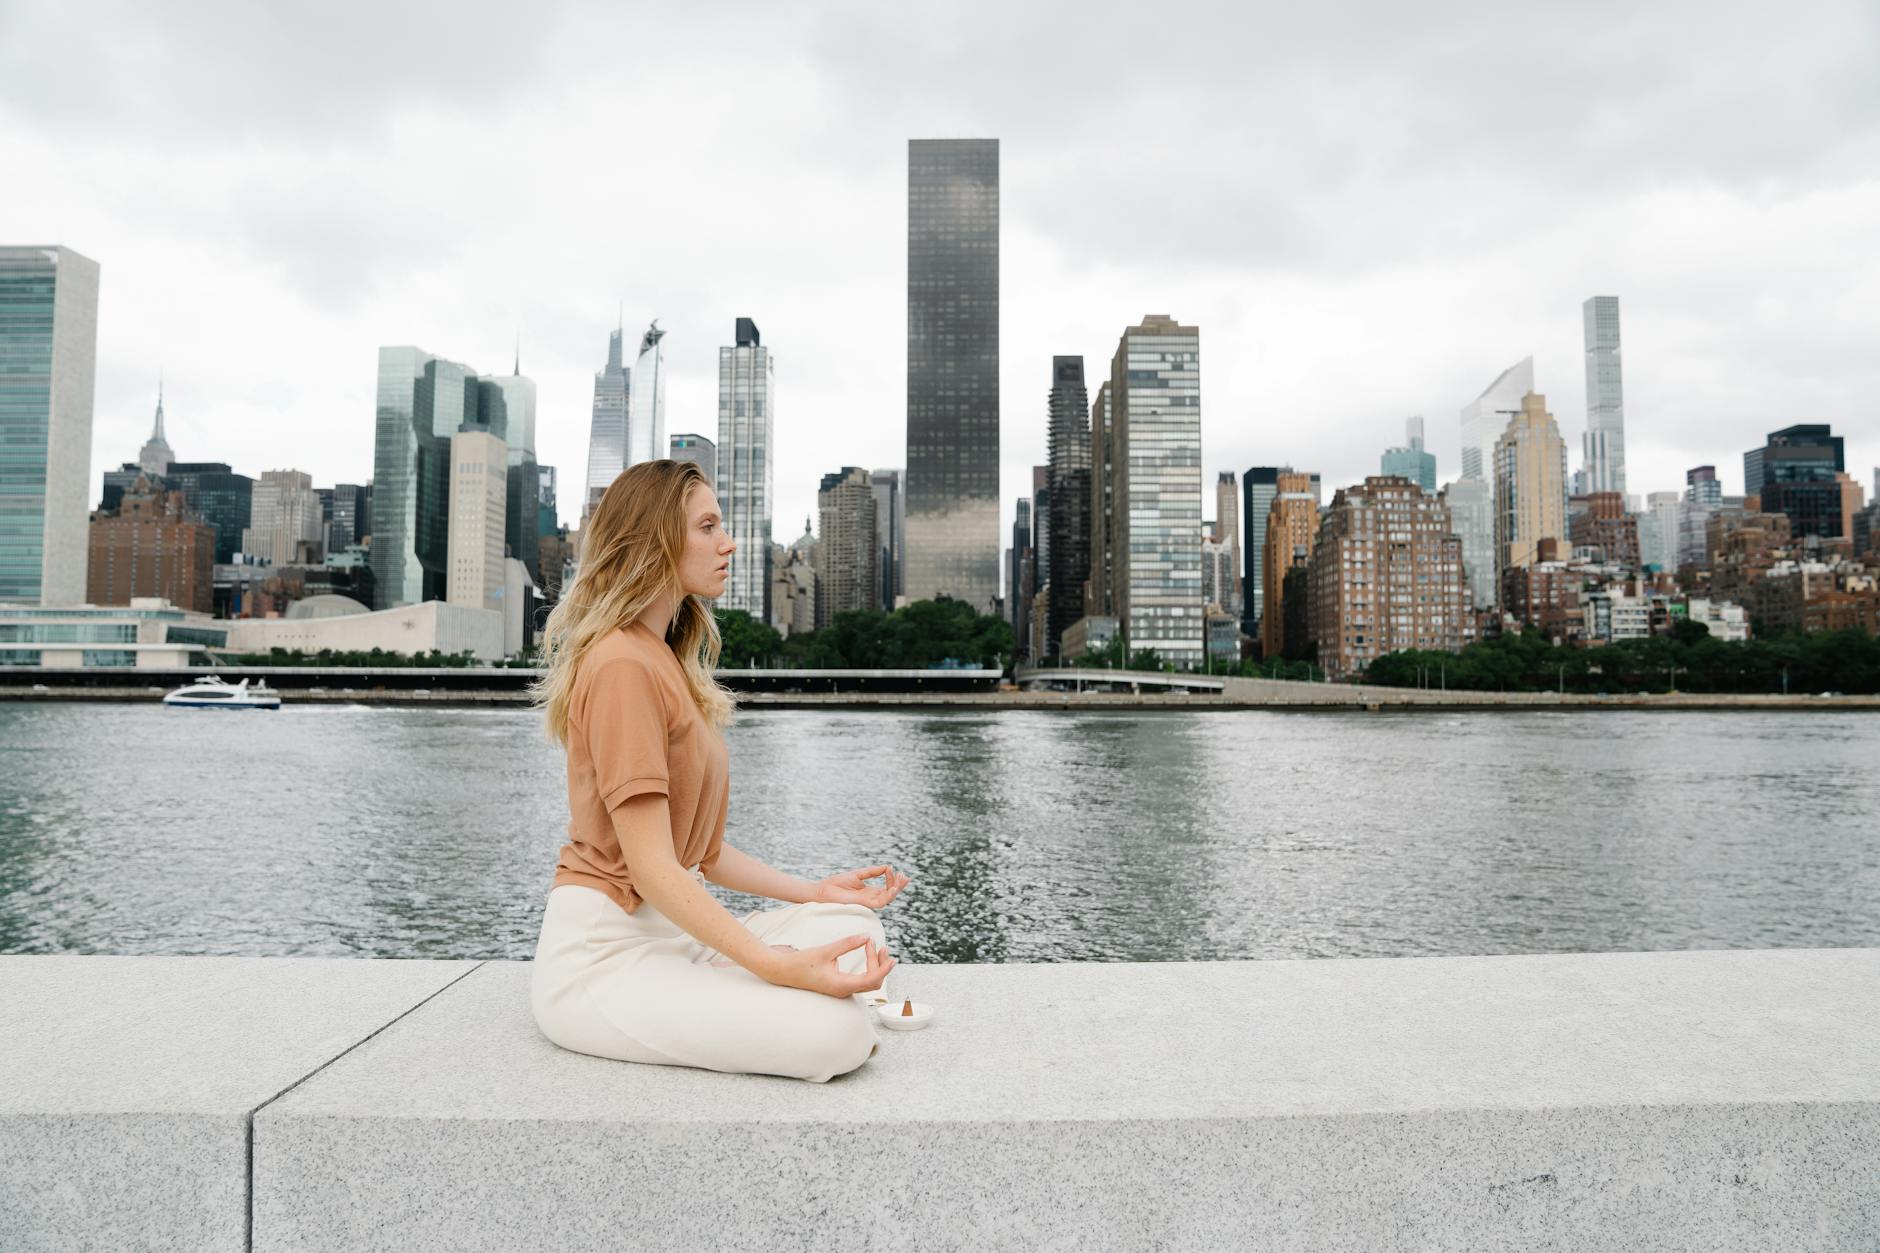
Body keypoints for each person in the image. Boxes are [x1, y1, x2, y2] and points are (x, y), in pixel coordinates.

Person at [529, 459, 910, 1082]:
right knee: (837, 1035)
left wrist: (816, 891)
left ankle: (726, 979)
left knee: (852, 921)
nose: (728, 542)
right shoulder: (622, 665)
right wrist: (770, 964)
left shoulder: (663, 659)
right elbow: (651, 868)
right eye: (708, 526)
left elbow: (697, 853)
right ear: (655, 540)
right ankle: (741, 983)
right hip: (603, 955)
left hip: (674, 933)